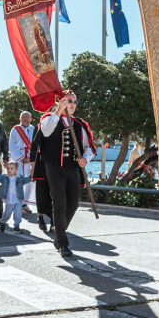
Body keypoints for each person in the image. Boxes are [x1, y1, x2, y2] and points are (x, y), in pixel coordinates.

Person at [34, 91, 94, 257]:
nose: (72, 104)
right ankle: (62, 243)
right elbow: (45, 132)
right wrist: (58, 110)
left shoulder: (79, 124)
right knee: (59, 204)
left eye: (74, 101)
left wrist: (85, 159)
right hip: (54, 168)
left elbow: (89, 148)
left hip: (73, 169)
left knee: (73, 204)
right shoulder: (49, 119)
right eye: (68, 101)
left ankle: (58, 230)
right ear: (60, 102)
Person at [0, 161, 31, 233]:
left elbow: (27, 179)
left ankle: (16, 226)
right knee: (7, 214)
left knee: (18, 214)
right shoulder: (4, 178)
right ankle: (3, 222)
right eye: (8, 168)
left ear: (16, 170)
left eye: (11, 168)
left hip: (18, 200)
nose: (9, 170)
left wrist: (32, 175)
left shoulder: (20, 178)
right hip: (9, 200)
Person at [9, 111, 35, 215]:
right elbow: (12, 145)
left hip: (30, 160)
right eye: (23, 117)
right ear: (20, 119)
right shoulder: (15, 130)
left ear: (30, 119)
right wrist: (21, 158)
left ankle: (25, 204)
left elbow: (36, 145)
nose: (25, 119)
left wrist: (31, 157)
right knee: (17, 182)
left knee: (29, 183)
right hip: (18, 161)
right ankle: (17, 204)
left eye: (27, 117)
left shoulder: (34, 129)